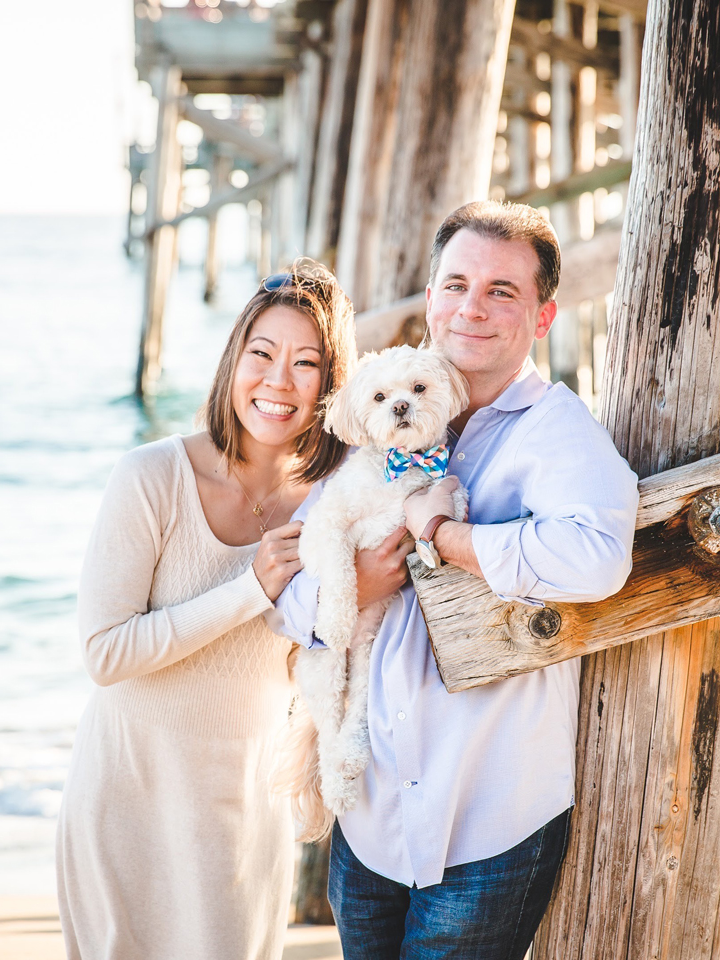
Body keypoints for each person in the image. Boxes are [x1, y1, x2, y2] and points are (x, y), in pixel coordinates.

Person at [272, 201, 640, 960]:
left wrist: (446, 535)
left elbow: (597, 558)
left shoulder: (558, 431)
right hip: (370, 818)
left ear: (542, 318)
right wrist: (361, 589)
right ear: (431, 298)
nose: (472, 307)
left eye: (503, 291)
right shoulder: (376, 431)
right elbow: (293, 587)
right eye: (456, 284)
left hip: (488, 819)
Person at [56, 262, 356, 960]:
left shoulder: (333, 500)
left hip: (242, 817)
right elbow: (105, 653)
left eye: (306, 363)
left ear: (330, 386)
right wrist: (250, 589)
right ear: (234, 362)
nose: (278, 381)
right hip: (126, 802)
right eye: (263, 354)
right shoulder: (152, 477)